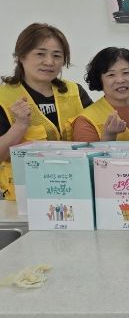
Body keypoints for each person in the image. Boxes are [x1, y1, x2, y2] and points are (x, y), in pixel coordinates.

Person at [0, 23, 92, 200]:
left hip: (74, 191)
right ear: (21, 56)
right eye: (40, 54)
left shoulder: (75, 92)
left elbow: (93, 140)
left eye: (57, 55)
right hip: (22, 197)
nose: (49, 62)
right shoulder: (3, 97)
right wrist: (19, 126)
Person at [72, 47, 129, 142]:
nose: (120, 80)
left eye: (126, 73)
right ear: (99, 80)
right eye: (111, 75)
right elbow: (86, 151)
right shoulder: (86, 120)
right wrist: (109, 136)